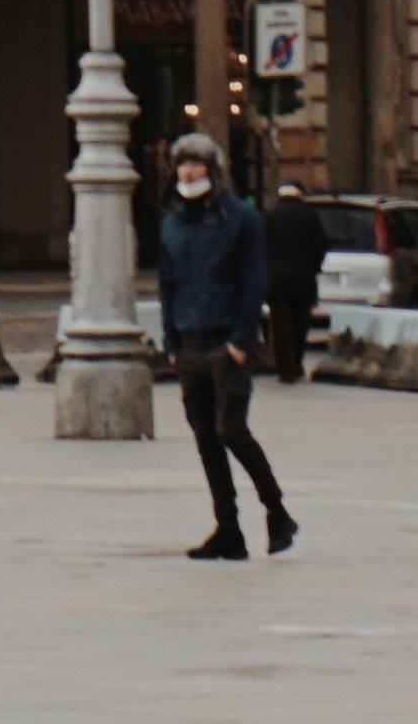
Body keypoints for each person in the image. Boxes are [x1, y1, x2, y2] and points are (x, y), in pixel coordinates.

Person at [153, 129, 292, 561]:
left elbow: (255, 282)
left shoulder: (240, 218)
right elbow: (167, 283)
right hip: (190, 346)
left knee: (231, 429)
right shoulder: (173, 220)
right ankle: (228, 529)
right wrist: (172, 342)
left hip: (225, 345)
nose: (188, 171)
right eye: (182, 163)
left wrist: (241, 340)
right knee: (206, 441)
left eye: (196, 163)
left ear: (213, 170)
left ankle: (277, 511)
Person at [257, 183, 334, 387]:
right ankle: (297, 362)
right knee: (300, 325)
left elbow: (259, 248)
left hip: (276, 282)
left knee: (280, 326)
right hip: (303, 280)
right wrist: (313, 267)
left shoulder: (268, 216)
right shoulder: (310, 216)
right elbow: (321, 246)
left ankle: (285, 368)